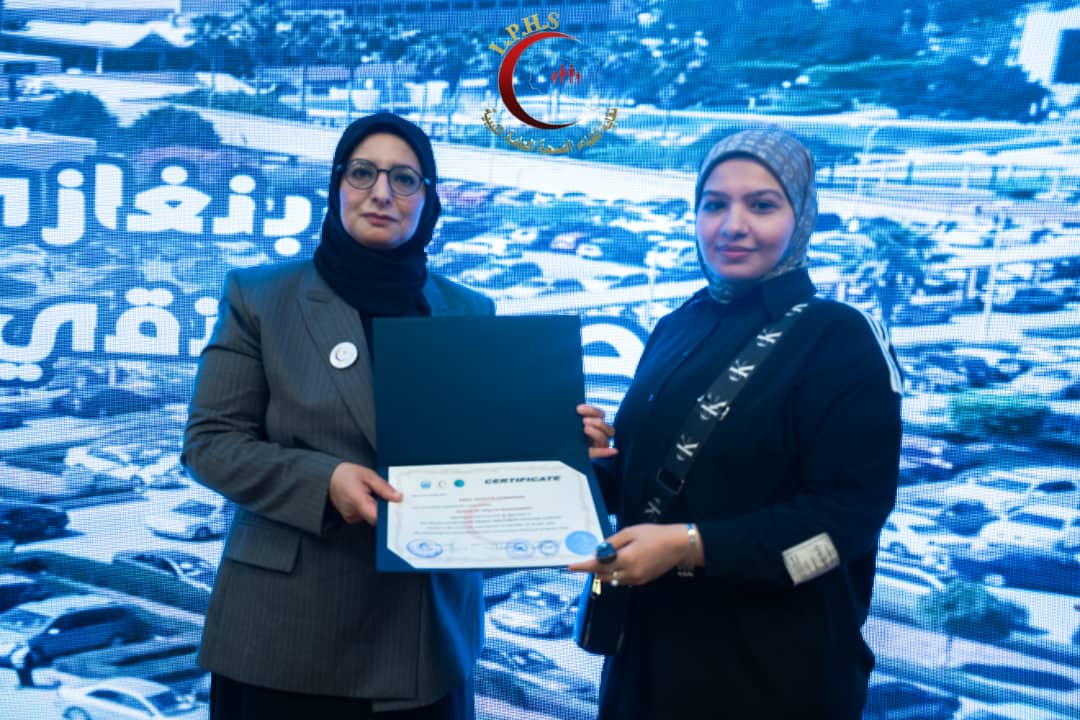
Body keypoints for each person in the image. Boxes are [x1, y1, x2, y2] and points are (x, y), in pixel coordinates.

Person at [570, 127, 903, 719]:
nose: (732, 225)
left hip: (771, 670)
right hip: (647, 658)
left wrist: (692, 547)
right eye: (714, 204)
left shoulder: (838, 337)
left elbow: (847, 521)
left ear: (802, 217)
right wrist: (591, 463)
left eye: (763, 205)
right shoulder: (679, 324)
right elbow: (648, 489)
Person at [182, 113, 496, 719]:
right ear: (336, 186)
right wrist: (324, 481)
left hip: (426, 640)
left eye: (404, 179)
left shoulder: (469, 311)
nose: (381, 192)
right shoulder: (260, 297)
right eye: (362, 173)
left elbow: (488, 448)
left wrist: (556, 440)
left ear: (427, 201)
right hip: (287, 638)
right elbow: (210, 443)